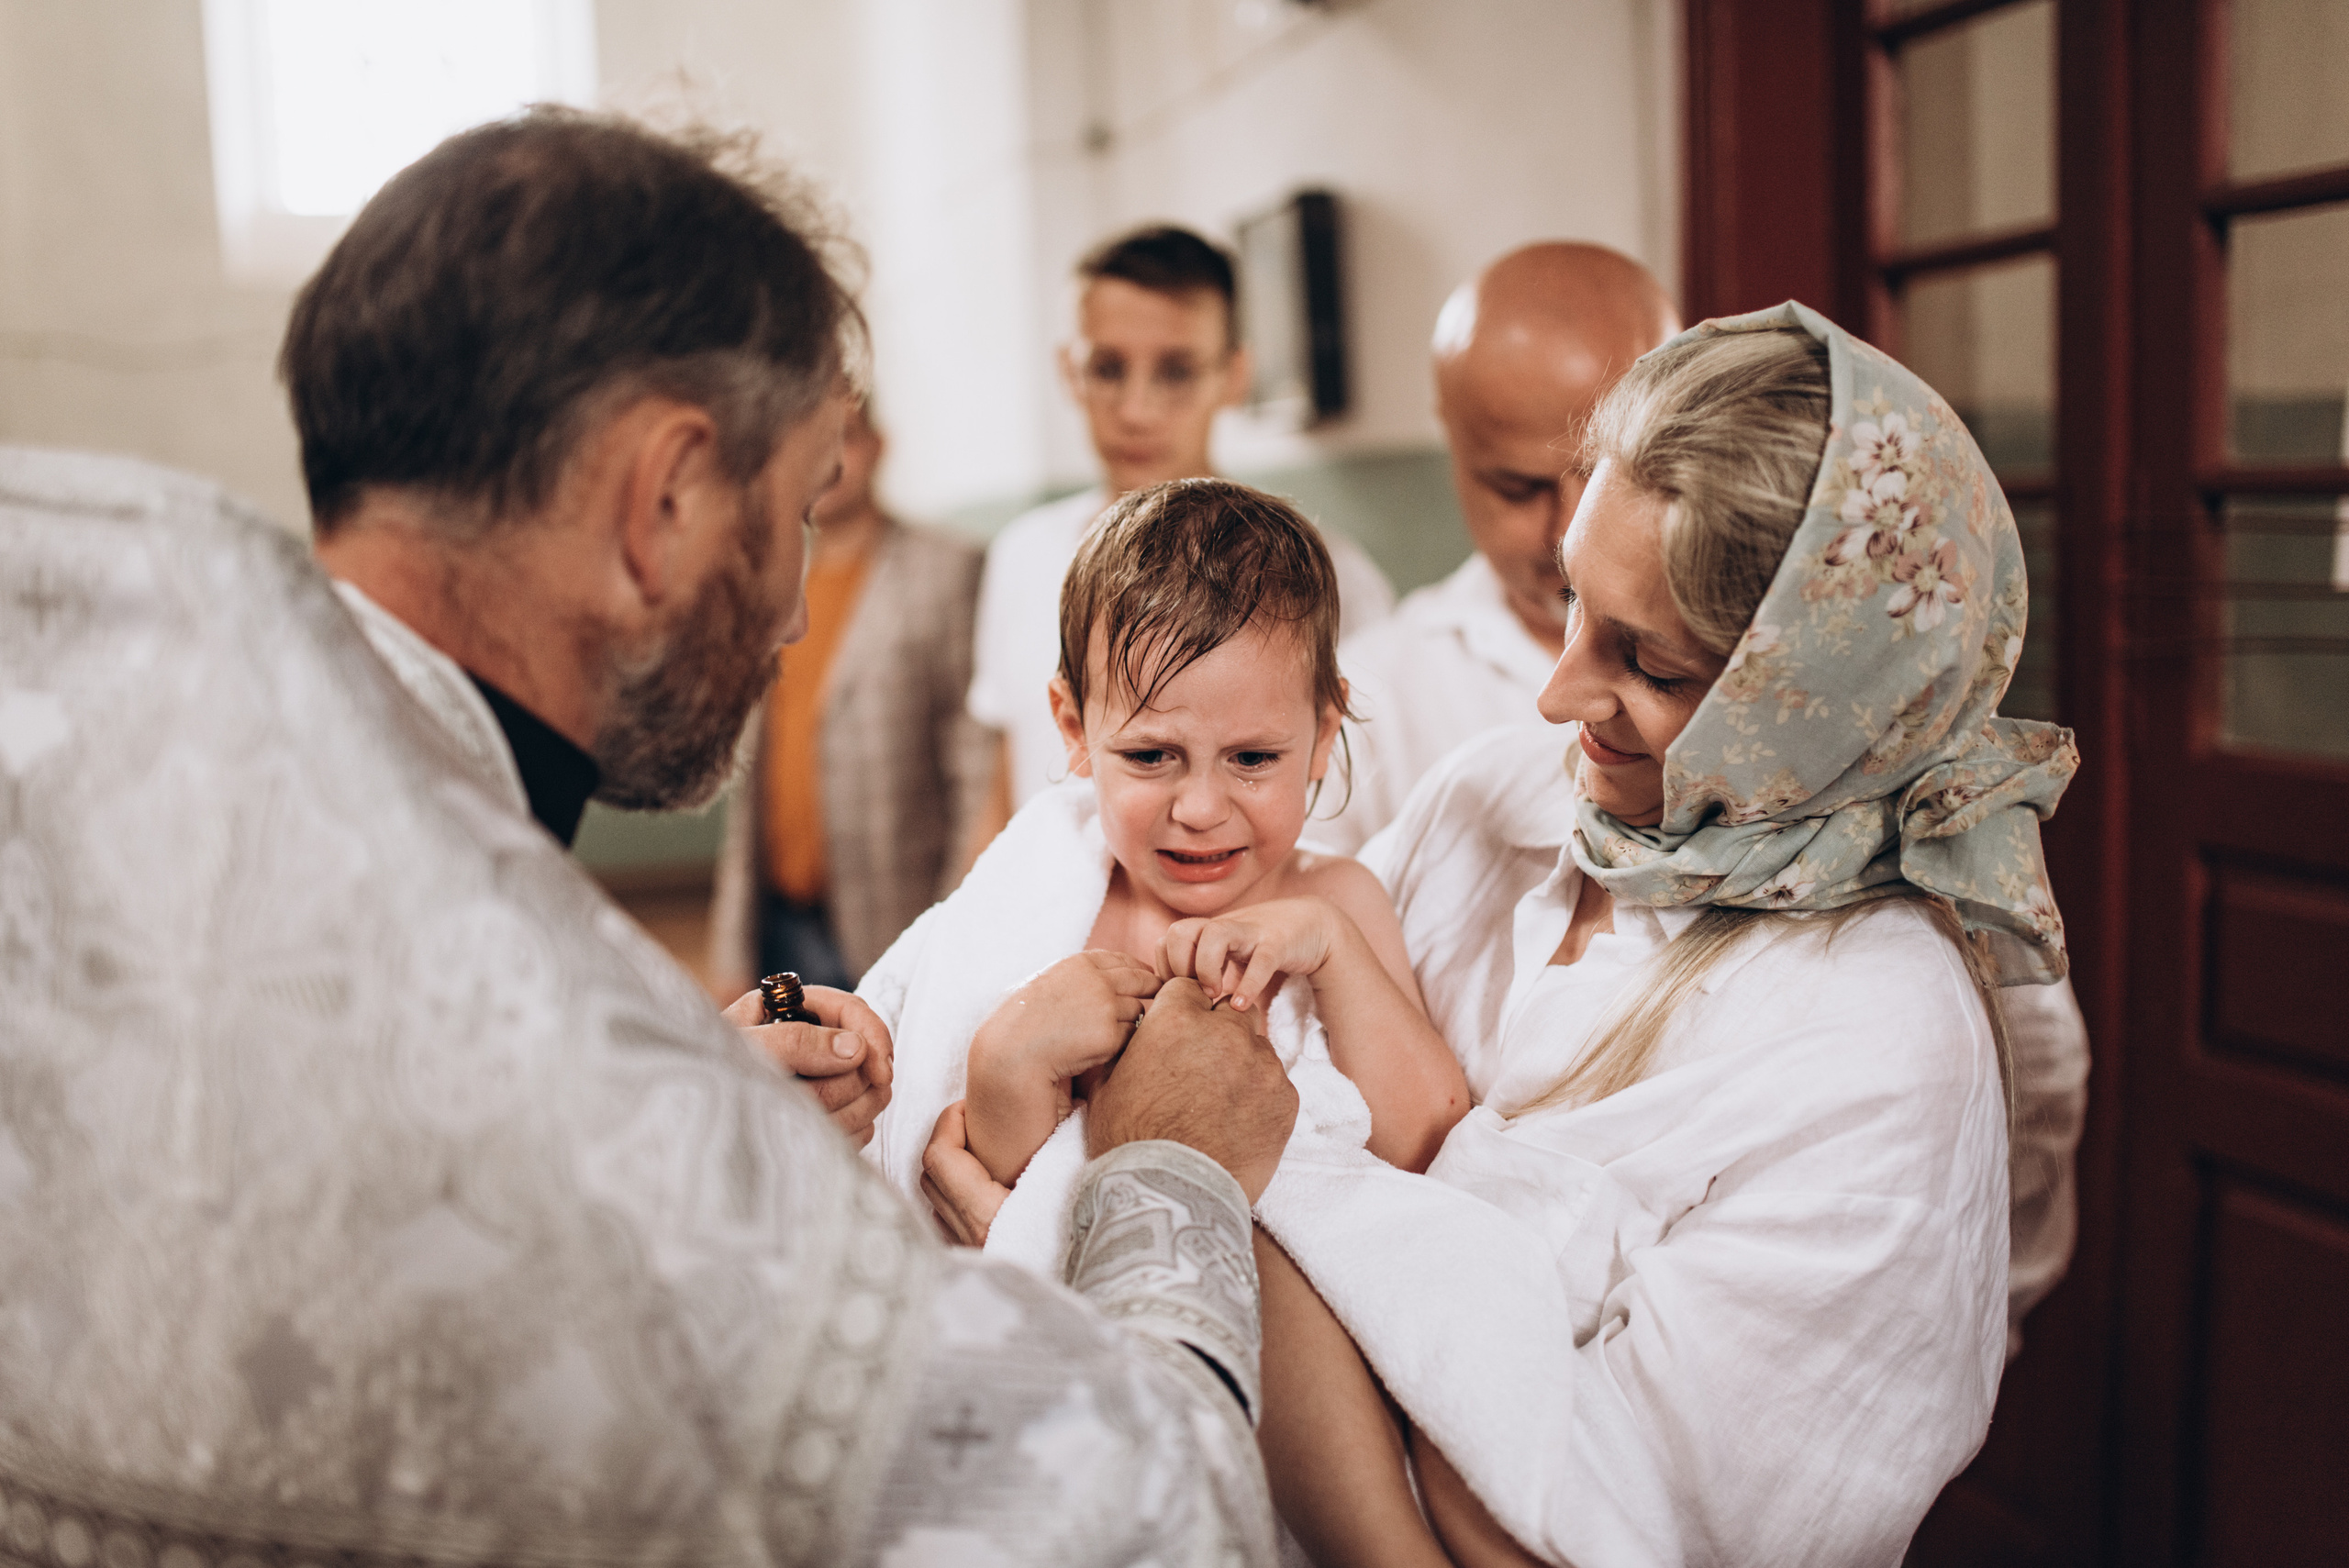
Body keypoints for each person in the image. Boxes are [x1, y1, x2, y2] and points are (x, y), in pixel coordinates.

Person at [0, 110, 1302, 1564]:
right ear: (667, 499)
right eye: (800, 503)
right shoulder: (574, 1083)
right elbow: (1160, 1531)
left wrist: (705, 1097)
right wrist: (1168, 1172)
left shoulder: (85, 577)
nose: (801, 606)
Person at [930, 303, 2087, 1566]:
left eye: (1647, 662)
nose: (1558, 691)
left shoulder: (1877, 1049)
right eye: (1572, 605)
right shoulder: (1501, 794)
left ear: (1818, 705)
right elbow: (1265, 1059)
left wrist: (1139, 1228)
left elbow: (1591, 1521)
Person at [858, 480, 1466, 1273]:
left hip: (1286, 1319)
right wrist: (1005, 1066)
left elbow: (1428, 1143)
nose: (1202, 808)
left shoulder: (1332, 902)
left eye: (1253, 759)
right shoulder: (1033, 900)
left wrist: (1335, 949)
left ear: (1322, 735)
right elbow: (960, 1188)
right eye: (1151, 756)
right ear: (1075, 729)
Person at [963, 224, 1396, 854]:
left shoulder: (1326, 576)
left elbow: (1343, 817)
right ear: (1069, 372)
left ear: (1234, 374)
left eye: (1176, 371)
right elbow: (1006, 786)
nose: (1136, 409)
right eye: (1107, 368)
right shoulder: (1022, 554)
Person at [1316, 241, 1678, 855]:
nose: (1568, 533)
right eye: (1518, 488)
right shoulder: (1374, 693)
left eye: (1606, 476)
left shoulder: (1749, 652)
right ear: (1453, 442)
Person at [707, 396, 995, 995]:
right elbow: (753, 781)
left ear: (879, 445)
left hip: (890, 920)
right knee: (790, 1079)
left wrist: (954, 934)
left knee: (882, 1083)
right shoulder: (776, 579)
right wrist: (730, 940)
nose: (833, 459)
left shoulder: (947, 570)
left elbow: (978, 774)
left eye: (849, 437)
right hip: (781, 916)